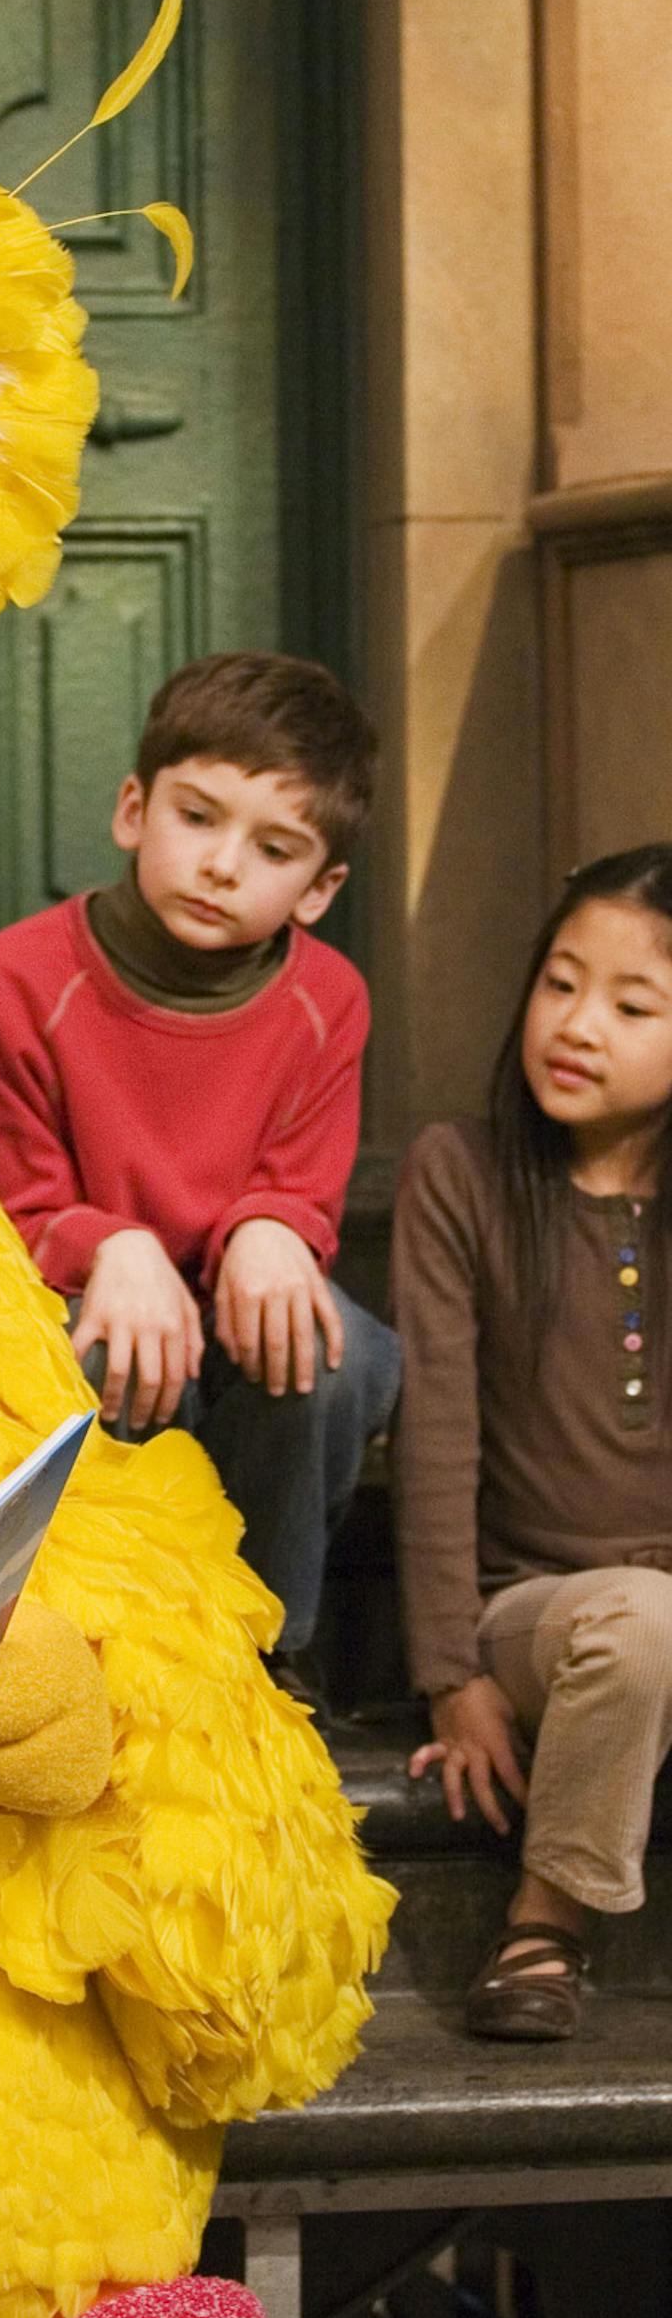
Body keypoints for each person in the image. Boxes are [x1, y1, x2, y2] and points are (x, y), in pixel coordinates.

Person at [0, 652, 401, 1693]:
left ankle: (260, 1660)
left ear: (319, 887)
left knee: (333, 1356)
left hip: (232, 1324)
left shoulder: (328, 998)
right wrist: (112, 1242)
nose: (221, 864)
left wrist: (270, 1224)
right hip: (78, 1311)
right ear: (131, 808)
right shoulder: (15, 978)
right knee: (92, 1355)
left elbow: (300, 1190)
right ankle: (96, 1658)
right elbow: (6, 1210)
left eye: (272, 846)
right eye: (196, 818)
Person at [392, 845, 672, 2039]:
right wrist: (450, 1672)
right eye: (558, 983)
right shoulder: (457, 1172)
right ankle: (542, 1927)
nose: (575, 1025)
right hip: (543, 1613)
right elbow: (435, 1435)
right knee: (640, 1626)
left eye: (628, 1003)